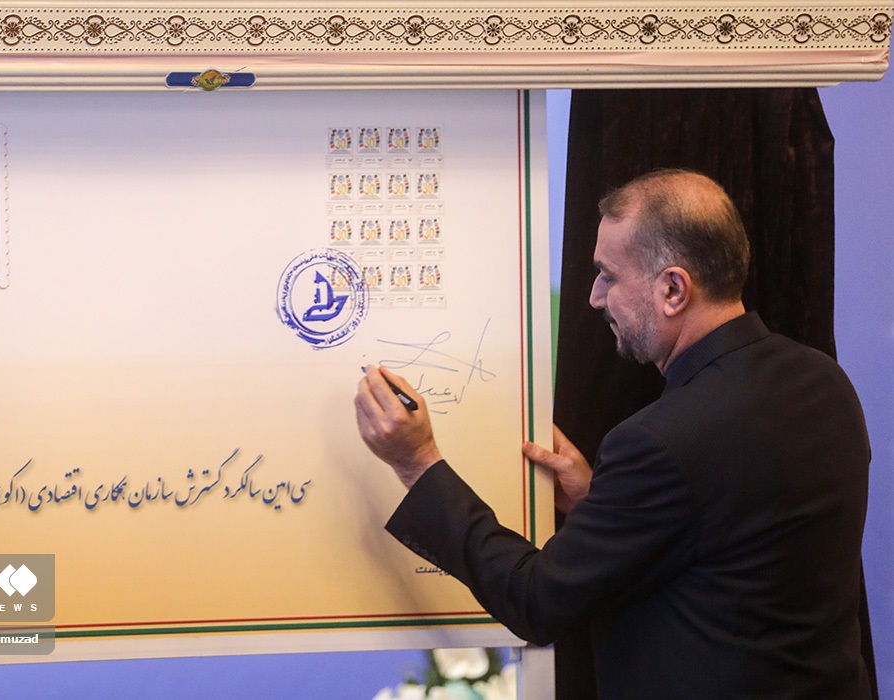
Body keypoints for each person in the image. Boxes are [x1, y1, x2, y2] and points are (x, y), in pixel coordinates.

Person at [354, 170, 871, 699]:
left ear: (673, 289)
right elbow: (733, 539)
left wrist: (417, 463)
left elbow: (536, 601)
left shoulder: (659, 442)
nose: (594, 297)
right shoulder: (825, 382)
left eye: (608, 276)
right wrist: (597, 501)